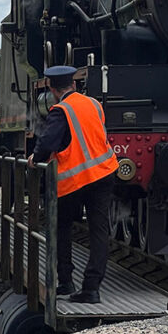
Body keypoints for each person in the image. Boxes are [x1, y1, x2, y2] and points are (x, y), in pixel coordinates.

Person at [28, 65, 119, 304]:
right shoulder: (94, 104)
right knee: (99, 229)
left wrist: (35, 158)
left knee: (62, 226)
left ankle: (66, 280)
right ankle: (92, 288)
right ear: (74, 85)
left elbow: (48, 143)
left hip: (76, 179)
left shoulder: (61, 111)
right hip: (105, 172)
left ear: (52, 89)